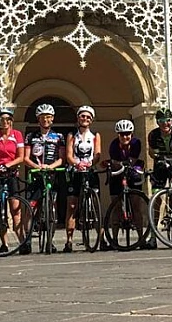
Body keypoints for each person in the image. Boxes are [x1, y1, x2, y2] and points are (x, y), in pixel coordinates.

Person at [23, 103, 65, 254]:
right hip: (36, 175)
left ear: (52, 119)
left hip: (51, 175)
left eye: (48, 117)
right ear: (38, 119)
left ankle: (50, 241)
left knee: (52, 208)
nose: (45, 120)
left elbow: (62, 158)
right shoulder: (31, 136)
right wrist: (36, 166)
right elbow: (25, 158)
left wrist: (51, 166)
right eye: (42, 117)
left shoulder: (59, 137)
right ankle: (27, 241)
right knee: (31, 207)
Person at [0, 107, 26, 254]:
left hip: (11, 174)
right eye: (2, 119)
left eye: (7, 119)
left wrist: (7, 165)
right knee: (0, 211)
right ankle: (4, 244)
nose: (5, 122)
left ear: (11, 121)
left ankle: (22, 241)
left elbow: (21, 157)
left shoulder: (17, 135)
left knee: (15, 209)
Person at [64, 105, 101, 253]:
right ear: (78, 118)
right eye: (82, 116)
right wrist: (76, 164)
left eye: (88, 117)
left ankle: (101, 238)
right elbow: (68, 155)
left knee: (96, 206)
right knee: (72, 206)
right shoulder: (72, 135)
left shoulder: (95, 135)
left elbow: (97, 153)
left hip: (90, 172)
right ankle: (69, 240)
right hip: (76, 172)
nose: (85, 119)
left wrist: (91, 163)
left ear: (91, 120)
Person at [106, 119, 147, 248]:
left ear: (131, 134)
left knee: (136, 206)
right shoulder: (114, 145)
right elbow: (114, 162)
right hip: (117, 173)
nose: (125, 137)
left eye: (127, 134)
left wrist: (125, 164)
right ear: (118, 135)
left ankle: (141, 238)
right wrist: (115, 165)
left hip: (132, 172)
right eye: (122, 134)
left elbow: (133, 160)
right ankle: (114, 239)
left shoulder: (136, 143)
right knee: (116, 206)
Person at [147, 108, 172, 191]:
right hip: (161, 162)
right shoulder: (153, 135)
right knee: (156, 191)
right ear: (157, 122)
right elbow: (153, 154)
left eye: (168, 120)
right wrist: (155, 155)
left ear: (171, 121)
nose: (165, 123)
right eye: (161, 121)